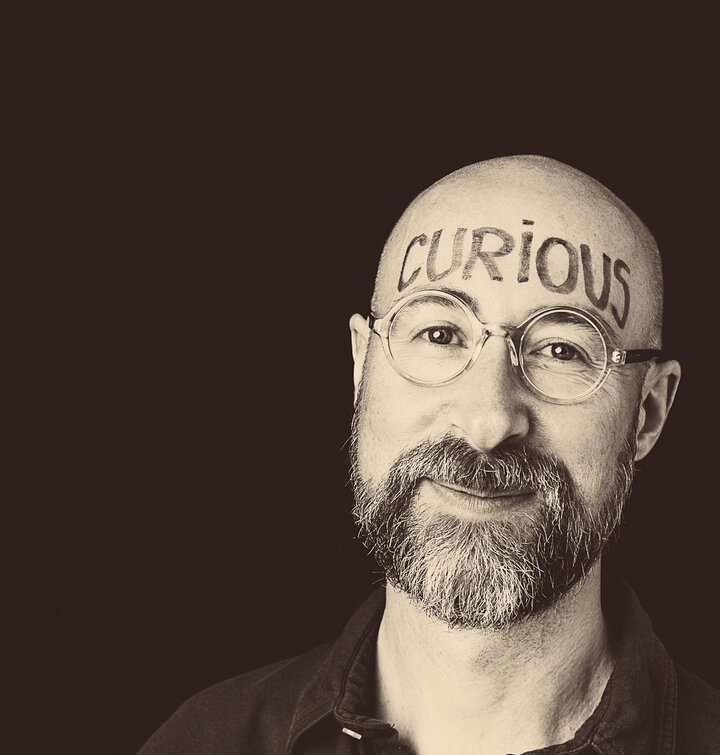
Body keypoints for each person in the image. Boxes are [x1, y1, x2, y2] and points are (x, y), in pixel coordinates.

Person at [138, 156, 720, 754]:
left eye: (562, 350)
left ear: (648, 411)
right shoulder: (205, 741)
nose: (489, 422)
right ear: (363, 367)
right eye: (440, 335)